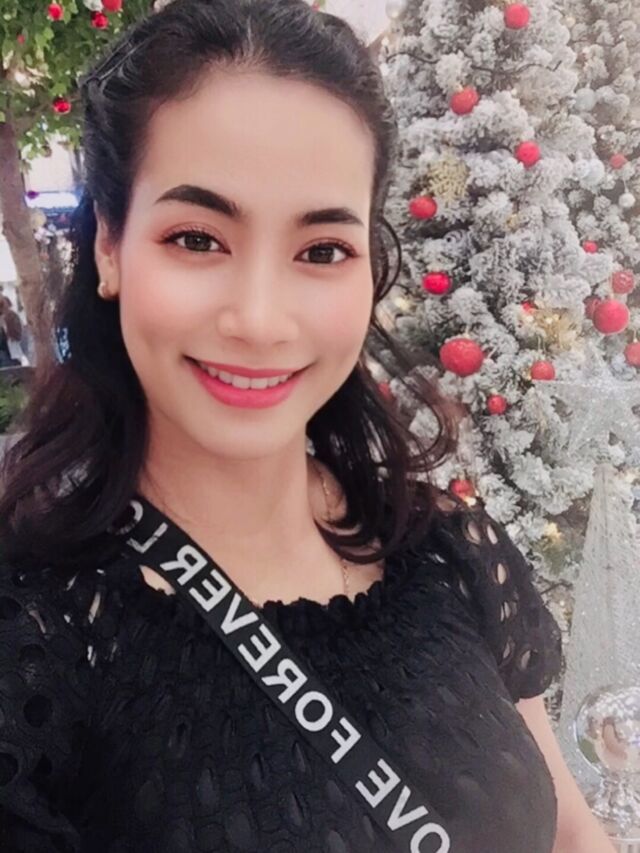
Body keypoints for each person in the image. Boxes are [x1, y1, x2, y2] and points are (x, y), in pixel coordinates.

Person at [0, 2, 612, 852]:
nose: (260, 320)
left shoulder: (445, 546)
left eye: (322, 249)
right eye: (196, 238)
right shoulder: (38, 636)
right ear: (110, 244)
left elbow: (571, 831)